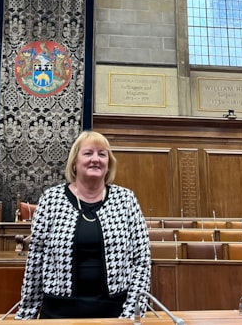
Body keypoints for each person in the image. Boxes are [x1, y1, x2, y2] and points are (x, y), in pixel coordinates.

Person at [15, 130, 151, 319]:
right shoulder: (51, 199)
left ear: (108, 163)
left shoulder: (126, 199)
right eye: (88, 153)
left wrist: (131, 314)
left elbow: (141, 260)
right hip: (59, 313)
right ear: (74, 162)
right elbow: (35, 261)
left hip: (114, 312)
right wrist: (26, 316)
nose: (95, 159)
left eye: (102, 154)